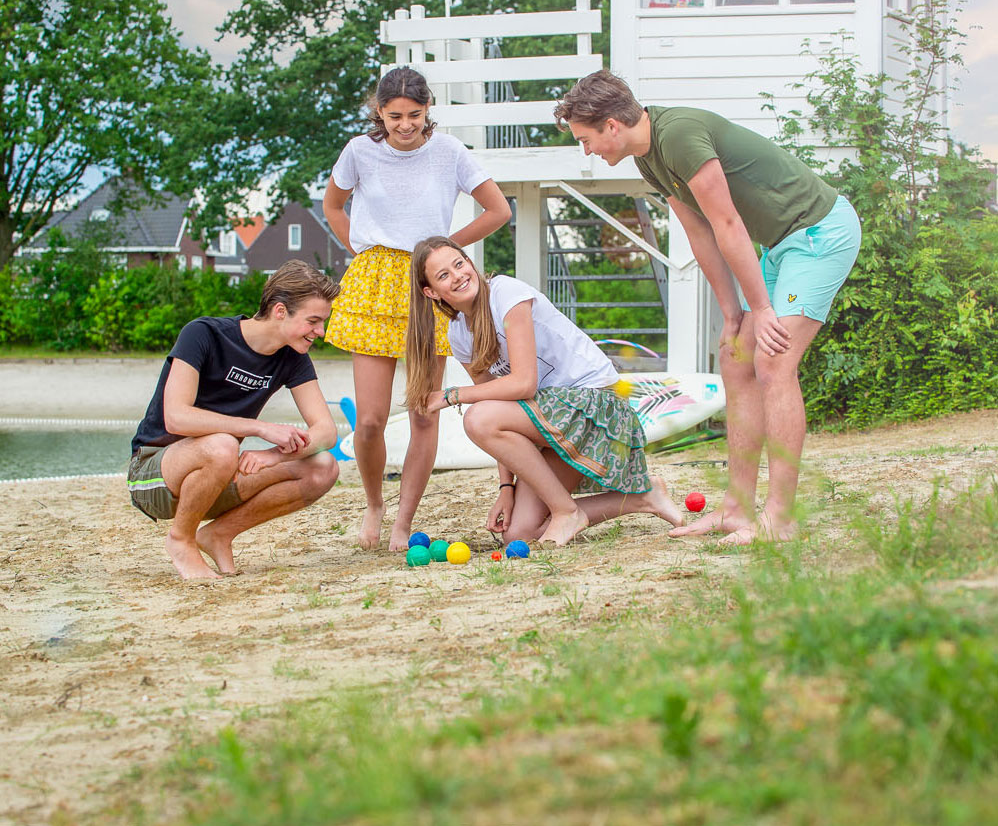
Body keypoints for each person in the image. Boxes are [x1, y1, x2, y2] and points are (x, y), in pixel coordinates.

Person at [554, 70, 861, 545]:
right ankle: (736, 510)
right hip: (781, 244)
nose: (587, 150)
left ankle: (781, 519)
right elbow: (701, 234)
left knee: (774, 360)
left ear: (612, 125)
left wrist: (760, 308)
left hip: (818, 232)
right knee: (737, 359)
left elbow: (728, 222)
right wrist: (734, 313)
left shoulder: (677, 134)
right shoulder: (647, 159)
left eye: (586, 139)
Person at [323, 66, 511, 552]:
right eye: (394, 116)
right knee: (369, 420)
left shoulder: (449, 151)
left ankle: (404, 522)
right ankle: (374, 504)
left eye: (414, 114)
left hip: (429, 284)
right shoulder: (359, 152)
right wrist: (363, 252)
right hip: (374, 284)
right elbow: (334, 207)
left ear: (428, 109)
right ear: (379, 113)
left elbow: (498, 210)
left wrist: (445, 250)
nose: (405, 125)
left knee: (425, 412)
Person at [406, 236, 682, 546]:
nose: (457, 275)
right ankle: (643, 498)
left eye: (459, 264)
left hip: (595, 403)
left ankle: (566, 511)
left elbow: (524, 384)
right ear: (430, 291)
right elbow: (493, 400)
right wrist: (505, 489)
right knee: (519, 533)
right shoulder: (459, 332)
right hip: (552, 418)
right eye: (443, 275)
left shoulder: (505, 294)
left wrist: (450, 395)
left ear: (470, 263)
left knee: (477, 417)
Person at [127, 261, 340, 580]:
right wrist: (259, 428)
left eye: (322, 322)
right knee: (222, 446)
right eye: (313, 321)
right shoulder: (203, 334)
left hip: (215, 473)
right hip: (153, 473)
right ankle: (181, 539)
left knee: (324, 466)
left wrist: (271, 456)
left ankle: (217, 535)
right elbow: (176, 417)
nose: (320, 332)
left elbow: (326, 432)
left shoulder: (293, 358)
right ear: (280, 311)